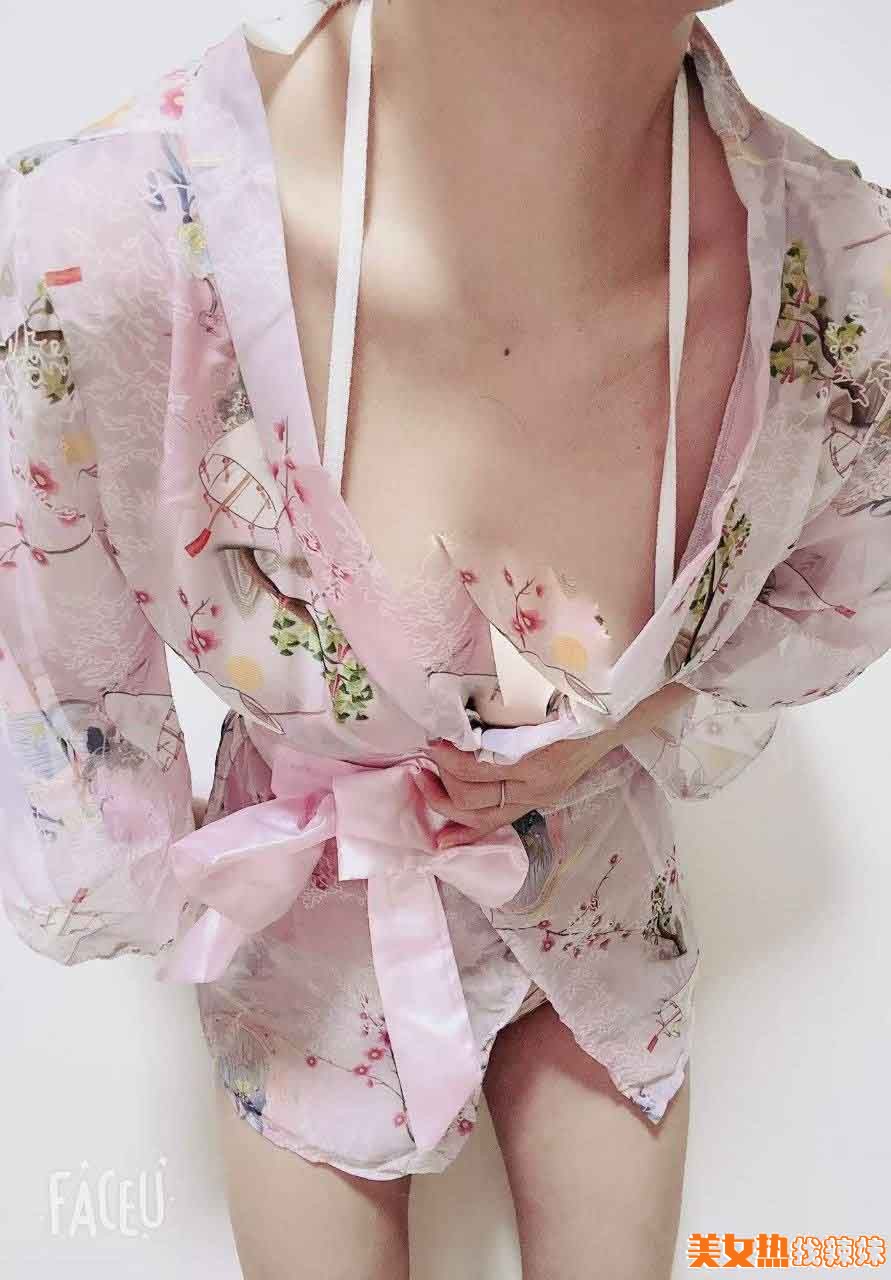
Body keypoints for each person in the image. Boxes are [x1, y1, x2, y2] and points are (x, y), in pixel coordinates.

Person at [1, 1, 889, 1276]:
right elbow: (67, 677)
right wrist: (144, 866)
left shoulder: (843, 291)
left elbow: (826, 588)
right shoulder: (113, 252)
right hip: (310, 923)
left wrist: (620, 728)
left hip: (595, 894)